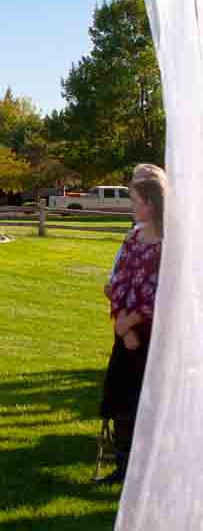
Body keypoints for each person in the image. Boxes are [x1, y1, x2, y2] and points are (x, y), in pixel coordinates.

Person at [95, 163, 166, 485]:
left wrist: (134, 325)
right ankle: (123, 469)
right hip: (124, 332)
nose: (132, 206)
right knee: (120, 399)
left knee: (144, 402)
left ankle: (145, 473)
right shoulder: (132, 236)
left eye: (135, 199)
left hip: (152, 337)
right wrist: (123, 327)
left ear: (150, 203)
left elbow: (161, 292)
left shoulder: (169, 246)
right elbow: (119, 279)